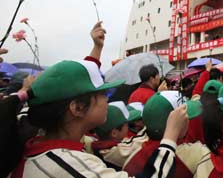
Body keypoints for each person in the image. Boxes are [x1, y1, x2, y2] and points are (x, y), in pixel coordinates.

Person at [8, 60, 180, 177]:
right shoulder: (70, 163)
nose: (107, 99)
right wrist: (170, 136)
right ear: (77, 108)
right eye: (103, 93)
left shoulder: (33, 141)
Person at [123, 90, 202, 177]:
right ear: (177, 123)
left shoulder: (131, 159)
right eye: (185, 117)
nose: (188, 120)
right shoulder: (199, 154)